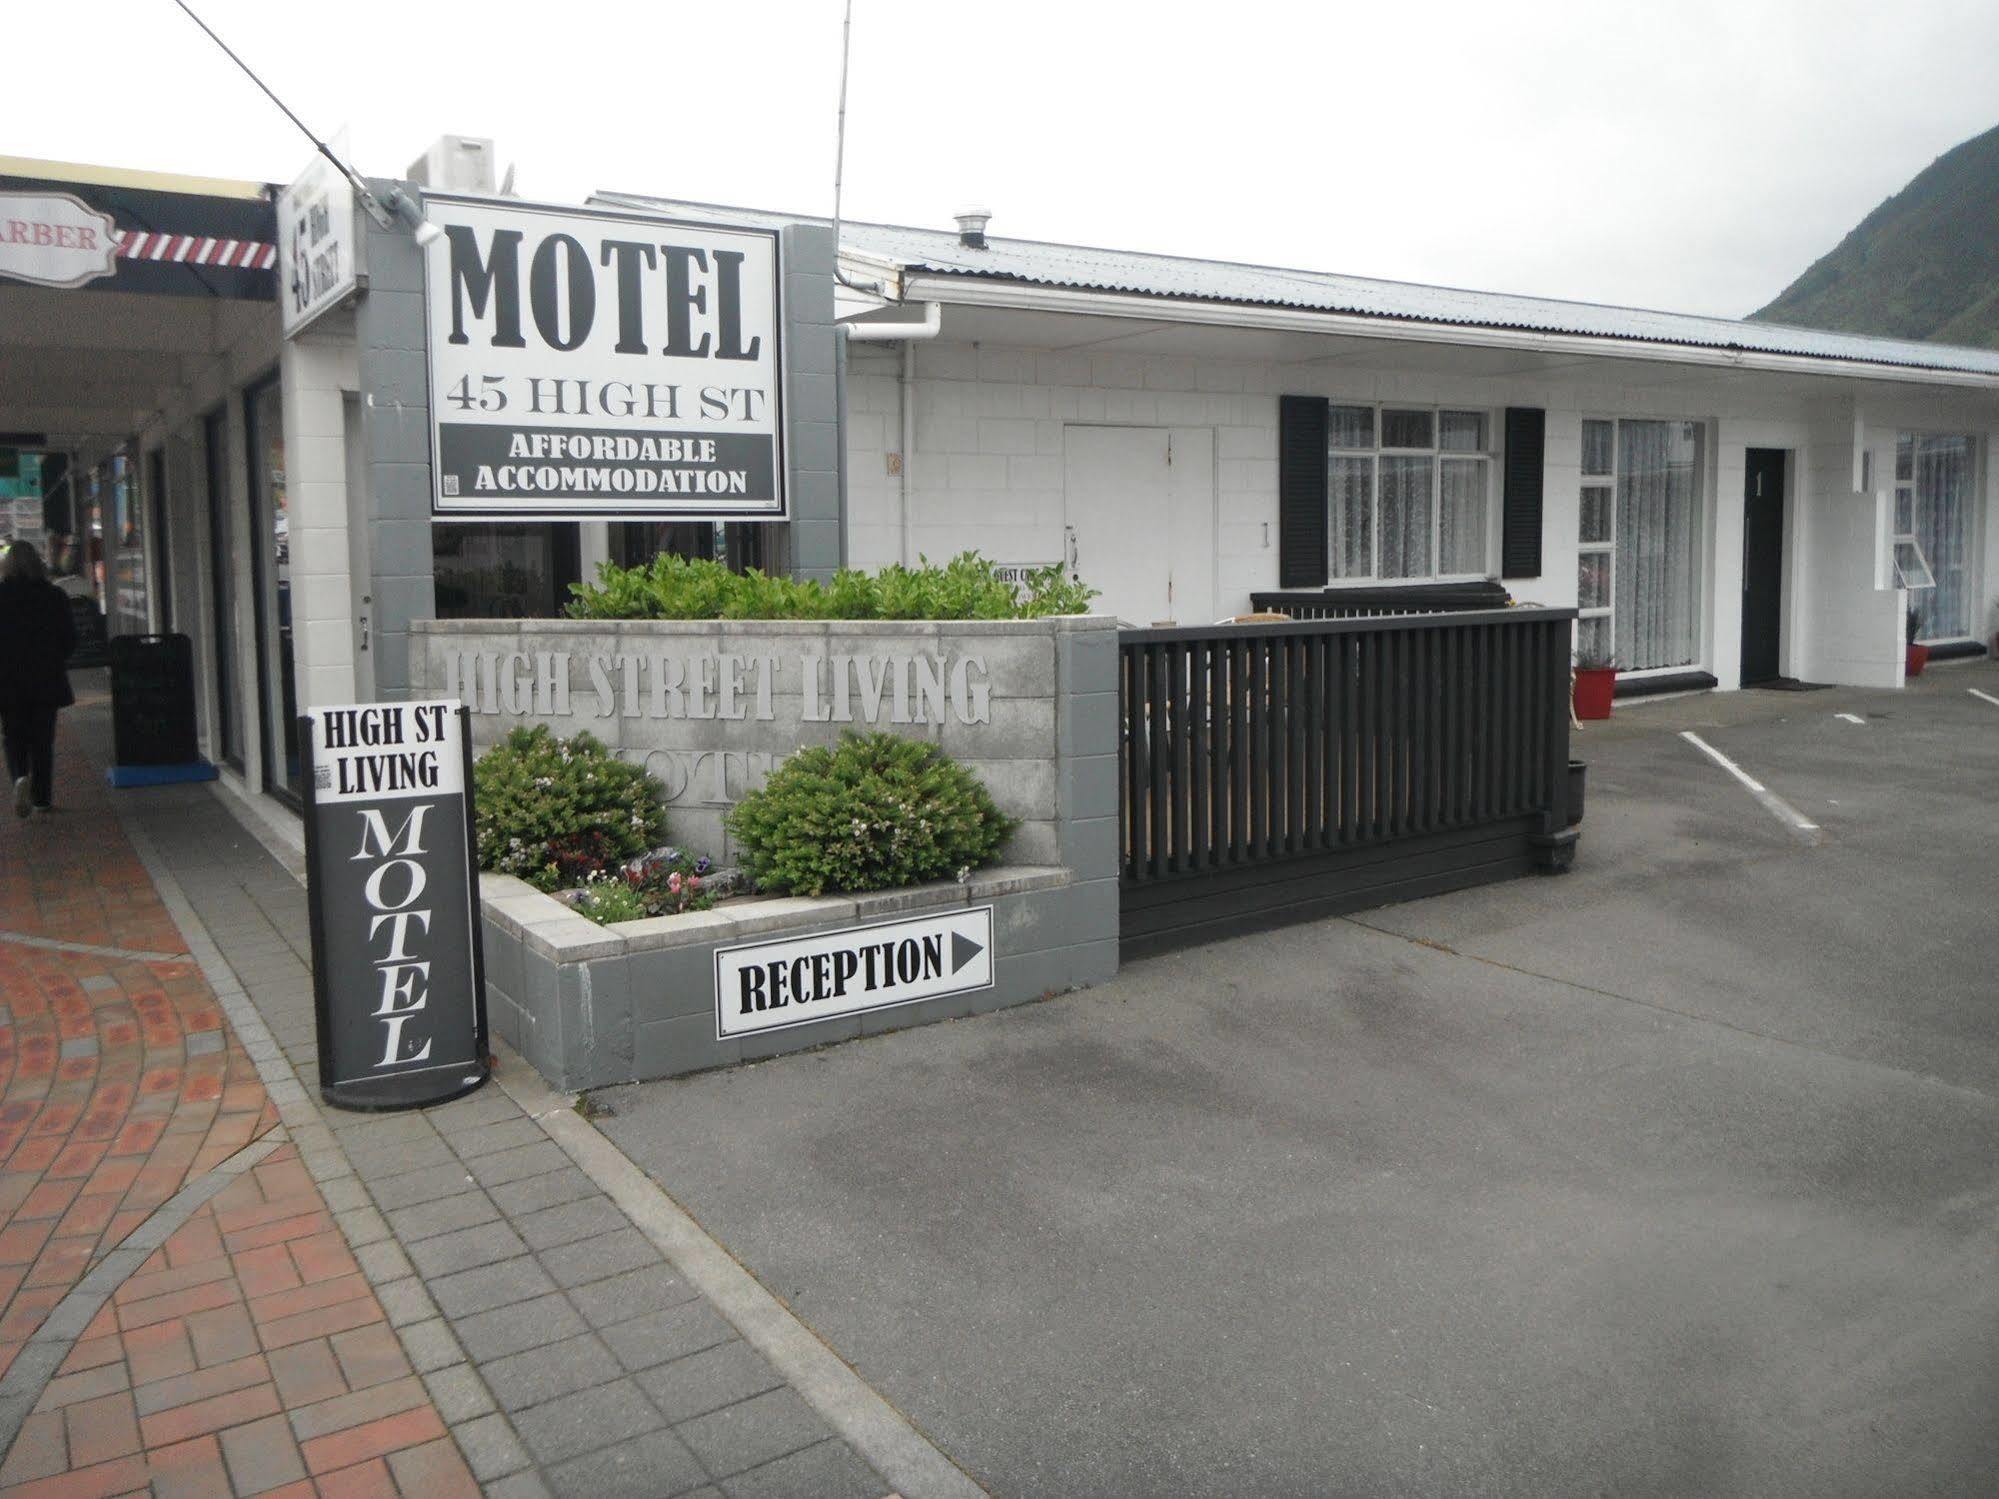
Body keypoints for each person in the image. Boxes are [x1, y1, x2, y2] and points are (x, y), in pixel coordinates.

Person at [0, 541, 76, 816]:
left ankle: (20, 776)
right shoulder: (54, 596)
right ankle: (42, 799)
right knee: (43, 740)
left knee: (13, 734)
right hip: (46, 679)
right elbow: (70, 639)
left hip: (7, 682)